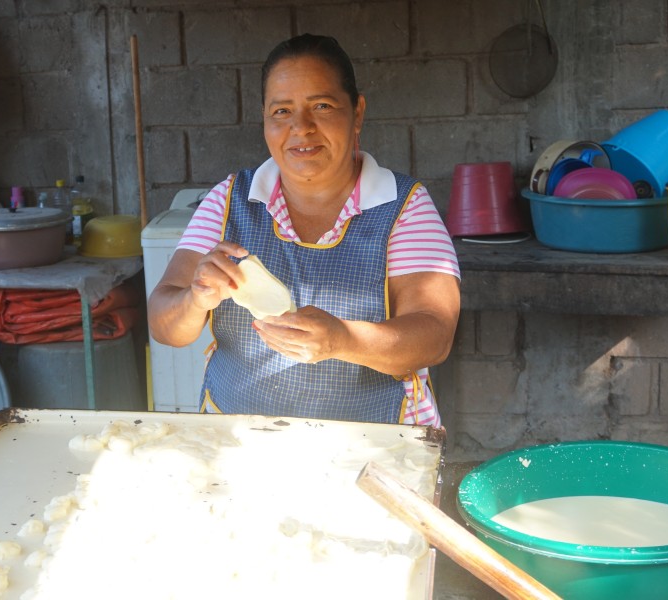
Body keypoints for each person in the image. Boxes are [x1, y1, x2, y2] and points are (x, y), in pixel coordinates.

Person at [148, 33, 460, 426]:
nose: (301, 127)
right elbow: (165, 327)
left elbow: (434, 335)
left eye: (322, 106)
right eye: (281, 111)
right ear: (264, 118)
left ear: (357, 113)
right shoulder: (229, 201)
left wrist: (341, 340)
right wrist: (195, 299)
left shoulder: (403, 207)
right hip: (239, 441)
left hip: (375, 446)